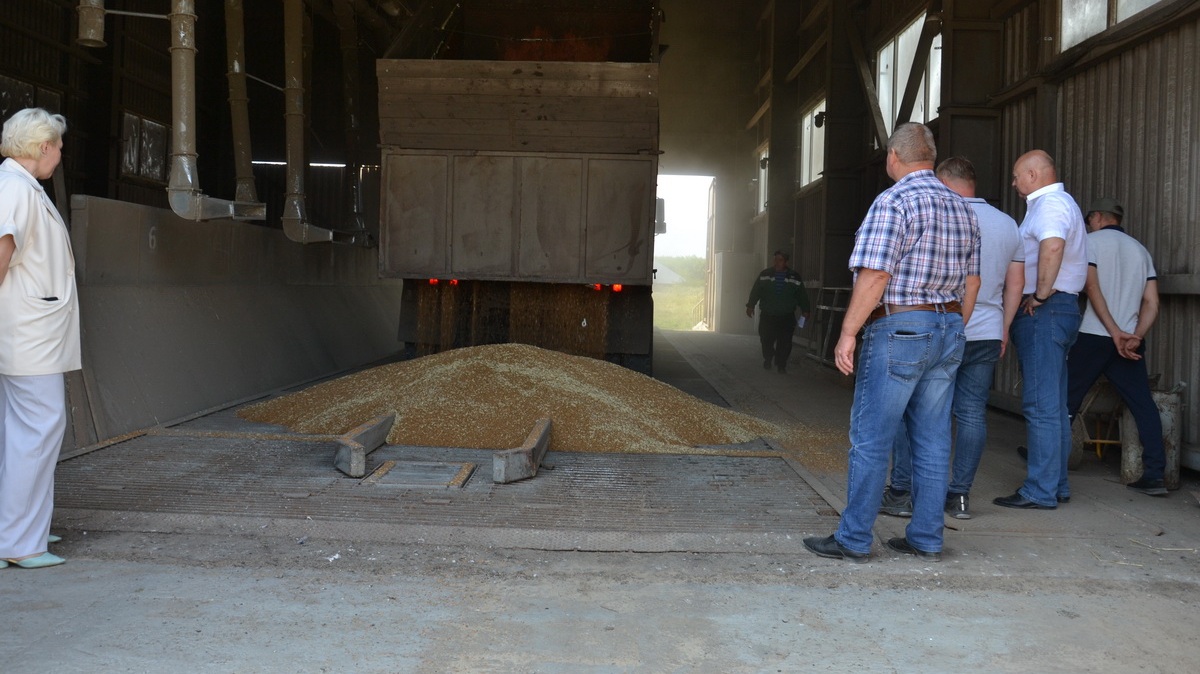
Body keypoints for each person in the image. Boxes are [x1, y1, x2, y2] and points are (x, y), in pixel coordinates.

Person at [803, 123, 979, 563]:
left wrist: (847, 333)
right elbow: (973, 280)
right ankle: (926, 537)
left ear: (893, 157)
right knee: (934, 439)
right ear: (931, 159)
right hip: (949, 327)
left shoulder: (894, 201)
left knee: (871, 437)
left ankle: (854, 538)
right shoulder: (962, 208)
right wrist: (953, 326)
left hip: (901, 329)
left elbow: (876, 275)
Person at [881, 157, 1023, 520]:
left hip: (943, 326)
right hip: (988, 331)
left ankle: (903, 491)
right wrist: (1004, 328)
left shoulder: (945, 215)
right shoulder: (1008, 224)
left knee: (917, 411)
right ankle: (959, 496)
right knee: (972, 414)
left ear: (943, 181)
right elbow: (1016, 284)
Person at [0, 107, 79, 569]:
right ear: (42, 146)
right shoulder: (14, 189)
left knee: (23, 434)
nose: (60, 156)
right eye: (59, 148)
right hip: (29, 336)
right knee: (38, 430)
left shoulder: (20, 186)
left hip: (31, 333)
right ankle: (20, 543)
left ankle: (20, 529)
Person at [994, 150, 1088, 510]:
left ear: (1033, 175)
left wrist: (1041, 294)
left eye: (1017, 176)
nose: (1014, 183)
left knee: (1041, 406)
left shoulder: (1050, 204)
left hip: (1047, 311)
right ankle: (1057, 484)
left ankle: (1040, 490)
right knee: (1054, 404)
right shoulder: (1056, 204)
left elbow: (1052, 245)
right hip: (1059, 310)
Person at [1067, 198, 1167, 496]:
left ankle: (1049, 463)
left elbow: (1092, 289)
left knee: (1067, 401)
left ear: (1097, 217)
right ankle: (1155, 474)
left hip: (1096, 335)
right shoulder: (1141, 251)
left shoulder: (1091, 243)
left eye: (1089, 219)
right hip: (1128, 342)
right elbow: (1152, 302)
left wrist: (1113, 332)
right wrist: (1134, 335)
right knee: (1142, 404)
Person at [746, 250, 811, 374]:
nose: (777, 262)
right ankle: (768, 358)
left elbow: (802, 294)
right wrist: (750, 306)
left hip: (786, 316)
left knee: (785, 342)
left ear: (786, 262)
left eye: (780, 260)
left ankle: (781, 364)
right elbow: (756, 291)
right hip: (768, 315)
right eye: (775, 259)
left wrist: (806, 310)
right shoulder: (765, 275)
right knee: (766, 339)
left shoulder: (794, 277)